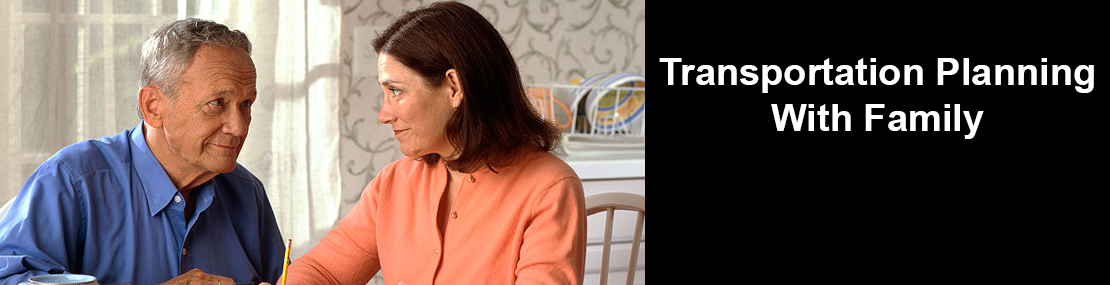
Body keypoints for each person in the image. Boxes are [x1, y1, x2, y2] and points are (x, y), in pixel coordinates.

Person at [282, 2, 586, 285]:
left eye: (396, 91)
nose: (383, 114)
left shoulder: (549, 189)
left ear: (454, 87)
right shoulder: (392, 184)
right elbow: (323, 270)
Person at [0, 18, 284, 285]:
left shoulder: (248, 193)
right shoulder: (70, 181)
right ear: (153, 106)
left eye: (246, 104)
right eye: (217, 102)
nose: (239, 127)